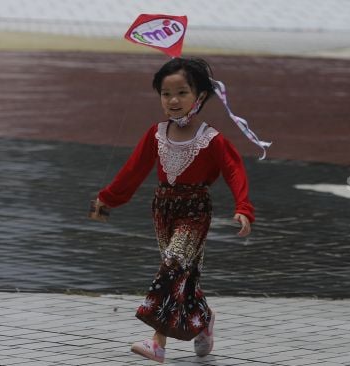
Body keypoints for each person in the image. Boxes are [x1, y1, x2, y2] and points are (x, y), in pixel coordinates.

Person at [92, 57, 256, 363]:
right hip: (162, 209)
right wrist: (107, 199)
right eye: (166, 94)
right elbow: (133, 171)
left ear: (200, 96)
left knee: (171, 267)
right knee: (182, 275)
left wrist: (243, 207)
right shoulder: (156, 134)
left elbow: (235, 171)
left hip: (195, 210)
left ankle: (158, 343)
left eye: (182, 92)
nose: (173, 100)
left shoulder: (212, 139)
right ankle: (204, 319)